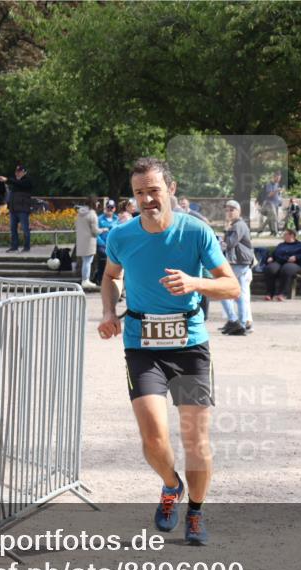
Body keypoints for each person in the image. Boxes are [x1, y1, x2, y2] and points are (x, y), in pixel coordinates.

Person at [97, 157, 239, 546]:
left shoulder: (195, 232)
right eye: (139, 192)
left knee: (196, 441)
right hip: (141, 345)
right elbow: (110, 277)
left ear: (171, 190)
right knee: (154, 439)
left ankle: (195, 511)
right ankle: (170, 484)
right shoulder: (122, 236)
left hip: (190, 345)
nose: (147, 199)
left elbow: (232, 287)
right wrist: (109, 312)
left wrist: (194, 282)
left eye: (154, 191)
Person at [219, 200, 254, 336]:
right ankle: (242, 323)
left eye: (232, 209)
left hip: (239, 263)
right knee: (239, 294)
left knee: (223, 292)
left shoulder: (238, 225)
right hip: (240, 262)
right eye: (227, 210)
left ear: (239, 211)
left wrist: (218, 243)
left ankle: (235, 320)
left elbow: (229, 244)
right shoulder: (235, 225)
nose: (229, 212)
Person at [263, 228, 301, 302]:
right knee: (270, 269)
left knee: (287, 269)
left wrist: (296, 257)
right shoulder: (281, 245)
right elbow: (274, 253)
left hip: (293, 263)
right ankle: (270, 293)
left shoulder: (300, 246)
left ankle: (283, 294)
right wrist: (271, 257)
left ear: (292, 235)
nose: (283, 236)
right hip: (279, 262)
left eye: (285, 234)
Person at [6, 164, 34, 252]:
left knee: (25, 229)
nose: (17, 173)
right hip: (13, 209)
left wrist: (8, 180)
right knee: (13, 229)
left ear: (24, 172)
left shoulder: (27, 181)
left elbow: (20, 184)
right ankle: (14, 246)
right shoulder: (15, 183)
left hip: (23, 209)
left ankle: (27, 247)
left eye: (20, 172)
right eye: (16, 172)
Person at [75, 198, 99, 289]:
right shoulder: (92, 214)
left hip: (81, 240)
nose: (98, 204)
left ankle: (84, 279)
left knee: (85, 261)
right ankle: (86, 280)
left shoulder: (79, 213)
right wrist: (104, 230)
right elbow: (95, 231)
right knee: (88, 262)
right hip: (89, 241)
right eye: (97, 202)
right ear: (93, 203)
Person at [94, 199, 119, 284]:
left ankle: (113, 280)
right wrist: (102, 243)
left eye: (112, 207)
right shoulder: (99, 219)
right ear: (105, 208)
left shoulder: (117, 219)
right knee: (103, 260)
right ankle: (100, 279)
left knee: (115, 262)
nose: (110, 209)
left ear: (114, 209)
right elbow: (96, 233)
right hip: (102, 244)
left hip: (114, 245)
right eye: (108, 207)